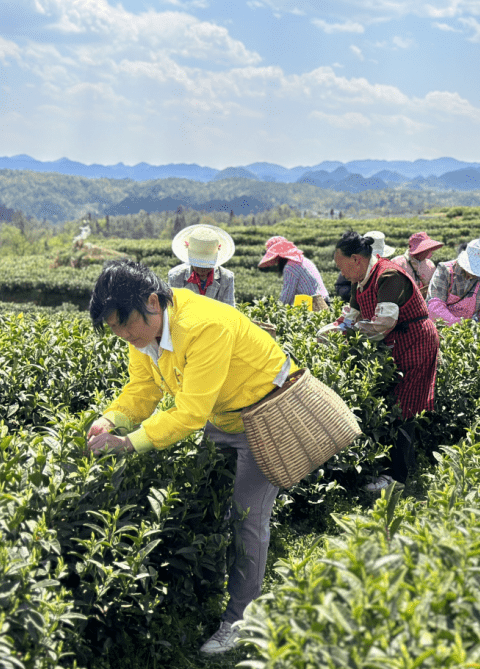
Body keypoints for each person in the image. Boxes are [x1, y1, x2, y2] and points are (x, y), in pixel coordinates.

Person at [85, 259, 296, 654]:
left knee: (247, 516)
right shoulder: (144, 335)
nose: (123, 335)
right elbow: (142, 390)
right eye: (113, 328)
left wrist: (129, 443)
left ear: (152, 301)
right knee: (210, 499)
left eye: (124, 323)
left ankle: (241, 619)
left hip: (264, 415)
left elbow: (189, 412)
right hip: (225, 412)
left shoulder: (202, 325)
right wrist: (110, 419)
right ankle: (215, 586)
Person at [320, 231, 440, 493]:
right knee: (392, 404)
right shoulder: (360, 280)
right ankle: (391, 470)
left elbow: (382, 324)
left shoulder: (389, 276)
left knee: (403, 407)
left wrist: (347, 333)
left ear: (356, 260)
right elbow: (352, 317)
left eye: (342, 267)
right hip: (396, 342)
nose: (341, 273)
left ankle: (398, 478)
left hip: (415, 340)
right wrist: (329, 330)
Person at [427, 238, 480, 334]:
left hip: (463, 332)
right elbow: (435, 307)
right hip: (438, 329)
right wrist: (460, 324)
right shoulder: (445, 271)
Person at [167, 224, 236, 306]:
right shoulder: (176, 276)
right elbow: (172, 309)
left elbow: (229, 310)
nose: (202, 269)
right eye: (198, 265)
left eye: (207, 265)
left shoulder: (226, 278)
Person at [257, 236, 330, 307]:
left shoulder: (290, 267)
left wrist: (275, 311)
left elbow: (287, 296)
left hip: (314, 305)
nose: (276, 262)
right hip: (323, 302)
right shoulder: (304, 260)